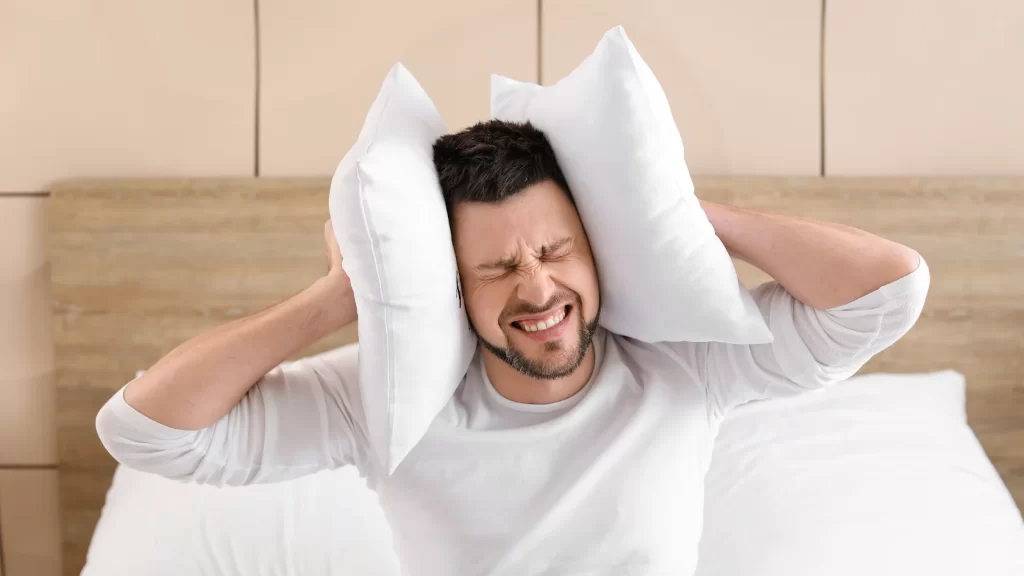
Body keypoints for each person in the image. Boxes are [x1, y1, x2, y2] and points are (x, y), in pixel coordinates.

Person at [96, 120, 928, 575]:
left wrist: (678, 219)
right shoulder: (388, 399)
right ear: (450, 289)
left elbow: (888, 291)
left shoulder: (687, 365)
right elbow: (146, 433)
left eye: (557, 250)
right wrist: (340, 299)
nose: (536, 290)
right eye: (495, 268)